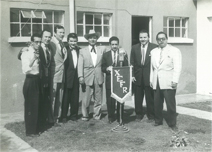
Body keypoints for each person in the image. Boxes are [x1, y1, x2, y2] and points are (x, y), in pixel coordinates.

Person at [150, 31, 182, 131]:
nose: (161, 41)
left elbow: (178, 67)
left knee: (170, 103)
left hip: (168, 81)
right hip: (157, 81)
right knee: (157, 102)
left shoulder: (174, 50)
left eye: (163, 39)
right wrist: (151, 80)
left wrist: (175, 81)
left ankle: (172, 123)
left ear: (167, 39)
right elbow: (152, 68)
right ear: (157, 41)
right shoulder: (153, 51)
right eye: (159, 39)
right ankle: (158, 121)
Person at [78, 29, 106, 121]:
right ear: (88, 39)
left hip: (99, 76)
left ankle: (97, 115)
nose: (92, 40)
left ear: (97, 39)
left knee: (98, 97)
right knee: (86, 98)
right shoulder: (82, 51)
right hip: (87, 76)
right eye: (90, 38)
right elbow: (80, 64)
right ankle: (85, 115)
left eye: (94, 38)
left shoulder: (102, 49)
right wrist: (80, 76)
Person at [130, 30, 157, 122]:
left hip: (149, 77)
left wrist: (154, 76)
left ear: (148, 37)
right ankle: (138, 114)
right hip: (137, 77)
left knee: (150, 97)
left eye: (145, 37)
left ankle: (151, 115)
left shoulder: (154, 47)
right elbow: (132, 63)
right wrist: (132, 75)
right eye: (141, 37)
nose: (143, 39)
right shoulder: (134, 48)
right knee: (138, 97)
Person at [102, 36, 128, 124]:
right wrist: (107, 68)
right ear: (110, 45)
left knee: (120, 98)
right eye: (112, 44)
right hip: (110, 79)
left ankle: (120, 117)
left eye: (116, 44)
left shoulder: (122, 53)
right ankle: (111, 117)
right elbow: (102, 67)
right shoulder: (106, 55)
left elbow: (126, 66)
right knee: (110, 100)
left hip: (120, 80)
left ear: (118, 45)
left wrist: (125, 56)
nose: (114, 46)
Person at [21, 33, 41, 136]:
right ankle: (30, 131)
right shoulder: (26, 52)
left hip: (37, 80)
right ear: (31, 42)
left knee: (36, 105)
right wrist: (33, 58)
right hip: (30, 80)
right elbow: (25, 69)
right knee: (30, 106)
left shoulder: (39, 51)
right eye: (36, 42)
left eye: (39, 42)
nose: (38, 44)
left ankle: (36, 128)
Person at [61, 33, 80, 123]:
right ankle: (64, 116)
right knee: (66, 97)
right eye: (71, 41)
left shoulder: (79, 50)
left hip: (76, 77)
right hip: (67, 77)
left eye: (75, 41)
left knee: (75, 97)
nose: (73, 43)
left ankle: (74, 115)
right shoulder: (64, 49)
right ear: (68, 41)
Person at [50, 25, 67, 124]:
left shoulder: (62, 43)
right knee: (53, 97)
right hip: (54, 74)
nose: (62, 34)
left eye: (63, 32)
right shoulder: (51, 43)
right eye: (60, 32)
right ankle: (51, 118)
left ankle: (57, 117)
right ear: (55, 33)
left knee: (59, 97)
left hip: (62, 74)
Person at [38, 30, 54, 129]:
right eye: (45, 37)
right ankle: (40, 122)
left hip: (47, 78)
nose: (47, 39)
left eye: (49, 37)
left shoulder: (49, 49)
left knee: (45, 100)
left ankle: (44, 120)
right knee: (40, 99)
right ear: (41, 37)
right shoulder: (38, 48)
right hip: (39, 78)